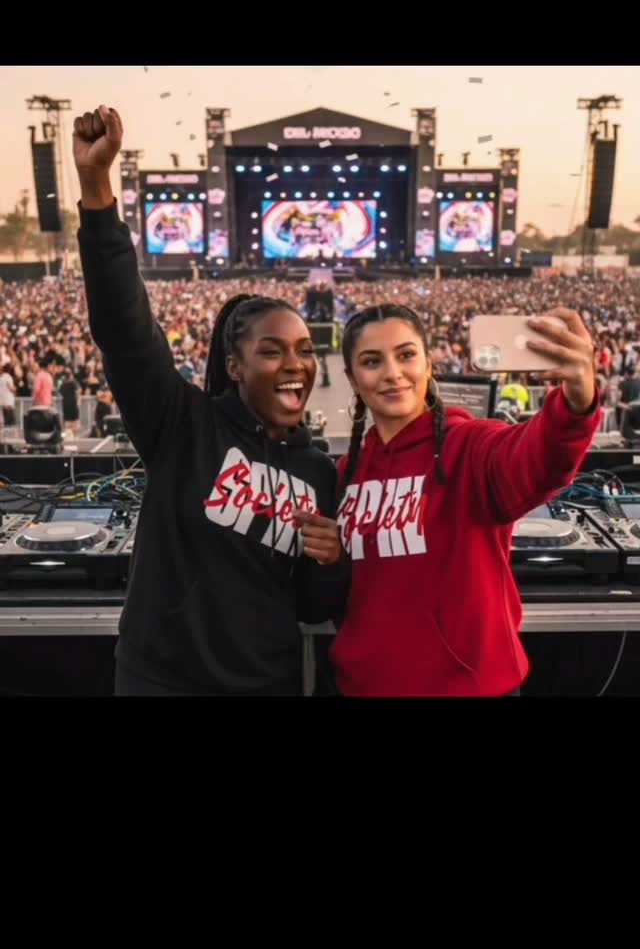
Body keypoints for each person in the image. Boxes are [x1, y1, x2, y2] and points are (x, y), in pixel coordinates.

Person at [73, 104, 347, 697]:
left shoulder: (319, 471)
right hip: (160, 680)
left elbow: (309, 605)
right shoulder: (182, 427)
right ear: (233, 366)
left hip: (264, 683)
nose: (295, 365)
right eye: (272, 352)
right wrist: (97, 194)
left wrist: (330, 562)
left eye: (303, 350)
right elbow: (126, 331)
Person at [331, 302, 601, 697]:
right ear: (353, 379)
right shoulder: (346, 473)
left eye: (406, 355)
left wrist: (576, 403)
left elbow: (540, 459)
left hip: (469, 687)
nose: (392, 373)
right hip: (365, 686)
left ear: (428, 363)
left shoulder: (470, 446)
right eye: (372, 361)